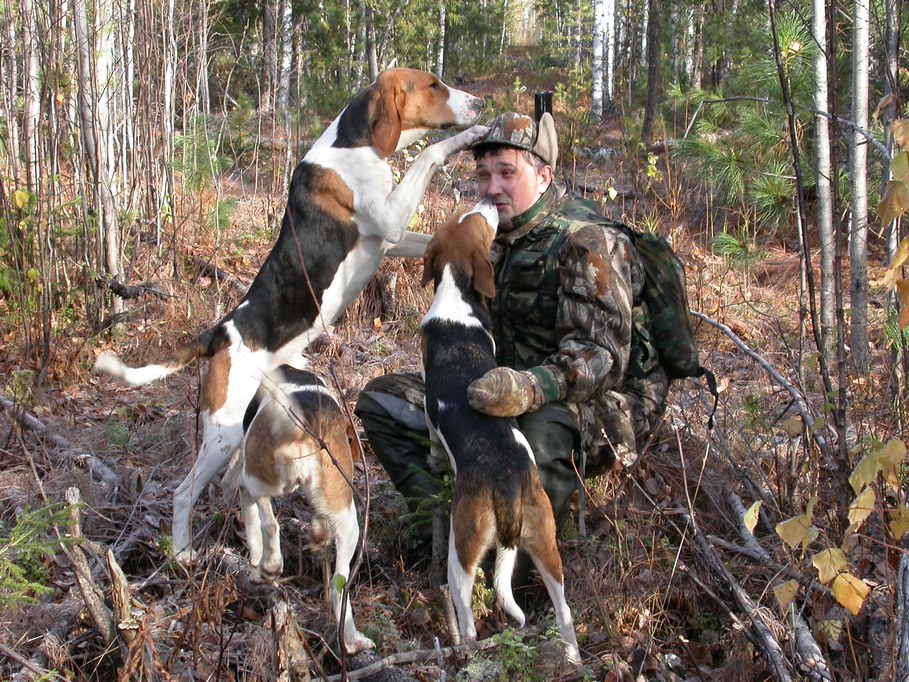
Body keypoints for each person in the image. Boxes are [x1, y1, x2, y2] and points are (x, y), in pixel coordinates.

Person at [354, 111, 669, 551]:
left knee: (539, 430)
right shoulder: (491, 232)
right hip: (499, 389)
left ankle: (519, 560)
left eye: (507, 172)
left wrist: (529, 388)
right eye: (484, 175)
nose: (493, 187)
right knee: (382, 401)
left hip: (593, 405)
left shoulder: (587, 240)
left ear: (544, 176)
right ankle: (447, 530)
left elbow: (600, 358)